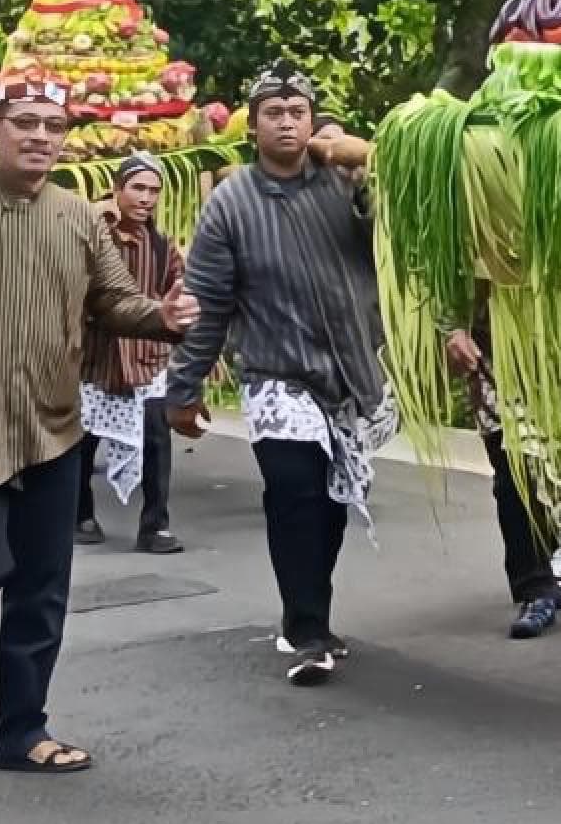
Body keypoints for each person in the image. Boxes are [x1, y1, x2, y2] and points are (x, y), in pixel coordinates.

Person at [0, 85, 196, 792]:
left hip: (52, 426)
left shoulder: (78, 217)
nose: (41, 137)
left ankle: (23, 731)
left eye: (55, 126)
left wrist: (163, 317)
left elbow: (114, 302)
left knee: (43, 584)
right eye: (25, 123)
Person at [159, 73, 393, 681]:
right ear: (253, 125)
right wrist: (184, 388)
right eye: (273, 112)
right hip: (275, 372)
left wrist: (361, 167)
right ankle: (306, 630)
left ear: (313, 122)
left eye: (297, 111)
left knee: (333, 503)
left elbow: (401, 227)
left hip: (349, 370)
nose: (287, 122)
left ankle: (313, 609)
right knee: (294, 489)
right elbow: (208, 301)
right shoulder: (230, 203)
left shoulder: (344, 183)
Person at [446, 317, 561, 640]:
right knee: (513, 468)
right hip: (496, 356)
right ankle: (535, 589)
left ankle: (556, 555)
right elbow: (438, 287)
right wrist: (453, 329)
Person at [78, 158, 186, 542]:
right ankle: (80, 515)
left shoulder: (161, 246)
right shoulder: (91, 232)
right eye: (138, 188)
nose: (146, 198)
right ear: (117, 189)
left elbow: (178, 290)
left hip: (146, 358)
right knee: (82, 442)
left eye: (154, 191)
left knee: (157, 440)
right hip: (97, 356)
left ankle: (155, 524)